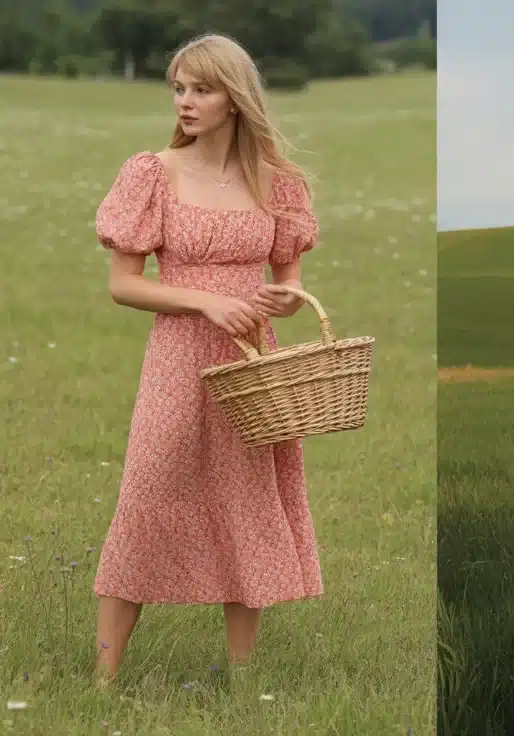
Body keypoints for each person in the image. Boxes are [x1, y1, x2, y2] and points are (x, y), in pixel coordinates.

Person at [92, 33, 321, 682]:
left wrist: (283, 299)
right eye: (179, 89)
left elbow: (290, 284)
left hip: (251, 361)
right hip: (177, 359)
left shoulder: (279, 184)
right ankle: (103, 680)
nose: (185, 102)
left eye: (201, 89)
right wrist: (205, 302)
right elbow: (123, 284)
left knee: (248, 502)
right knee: (147, 496)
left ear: (236, 98)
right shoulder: (153, 173)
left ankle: (241, 678)